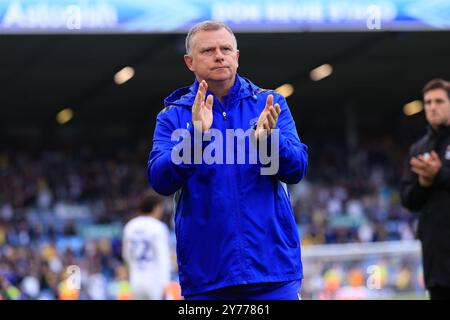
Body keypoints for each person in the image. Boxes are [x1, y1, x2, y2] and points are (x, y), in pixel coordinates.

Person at [147, 20, 308, 300]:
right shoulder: (173, 116)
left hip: (272, 273)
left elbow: (296, 170)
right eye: (208, 50)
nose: (219, 55)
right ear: (189, 62)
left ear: (237, 56)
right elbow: (160, 180)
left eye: (226, 49)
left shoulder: (269, 104)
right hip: (207, 279)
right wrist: (196, 136)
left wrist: (268, 141)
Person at [401, 78, 450, 300]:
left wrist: (440, 174)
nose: (432, 107)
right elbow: (407, 199)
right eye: (428, 102)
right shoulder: (418, 149)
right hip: (435, 254)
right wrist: (423, 183)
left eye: (439, 101)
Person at [122, 190, 171, 300]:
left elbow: (126, 256)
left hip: (136, 279)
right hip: (155, 280)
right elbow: (163, 257)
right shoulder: (158, 227)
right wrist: (165, 283)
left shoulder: (130, 226)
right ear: (156, 207)